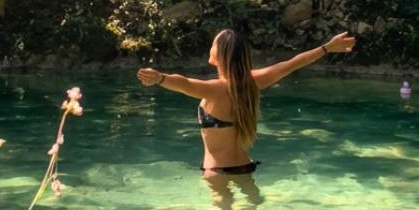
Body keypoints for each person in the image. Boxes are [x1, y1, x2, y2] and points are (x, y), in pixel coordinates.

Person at [137, 29, 356, 176]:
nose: (210, 46)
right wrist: (327, 47)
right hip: (246, 167)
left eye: (213, 44)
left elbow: (184, 83)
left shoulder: (216, 89)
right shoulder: (253, 82)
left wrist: (160, 78)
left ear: (219, 54)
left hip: (218, 174)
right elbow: (292, 64)